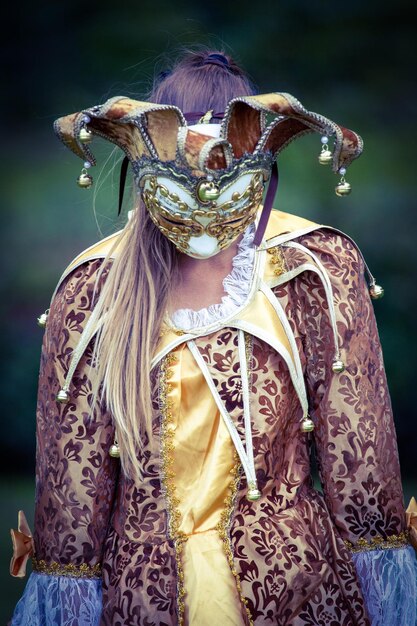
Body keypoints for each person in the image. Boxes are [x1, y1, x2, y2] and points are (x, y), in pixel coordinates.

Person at [8, 48, 417, 626]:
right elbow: (71, 510)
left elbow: (362, 467)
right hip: (148, 603)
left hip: (298, 598)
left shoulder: (312, 271)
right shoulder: (96, 291)